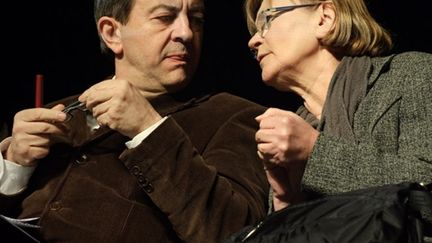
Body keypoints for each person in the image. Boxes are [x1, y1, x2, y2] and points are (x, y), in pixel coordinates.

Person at [0, 0, 270, 242]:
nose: (186, 33)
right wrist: (14, 167)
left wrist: (149, 129)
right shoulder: (50, 113)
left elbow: (235, 232)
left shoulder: (234, 116)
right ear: (112, 33)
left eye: (196, 20)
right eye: (165, 17)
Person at [244, 0, 431, 211]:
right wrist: (286, 203)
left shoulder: (411, 75)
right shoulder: (290, 142)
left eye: (267, 19)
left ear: (325, 18)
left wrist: (315, 152)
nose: (253, 41)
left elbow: (427, 192)